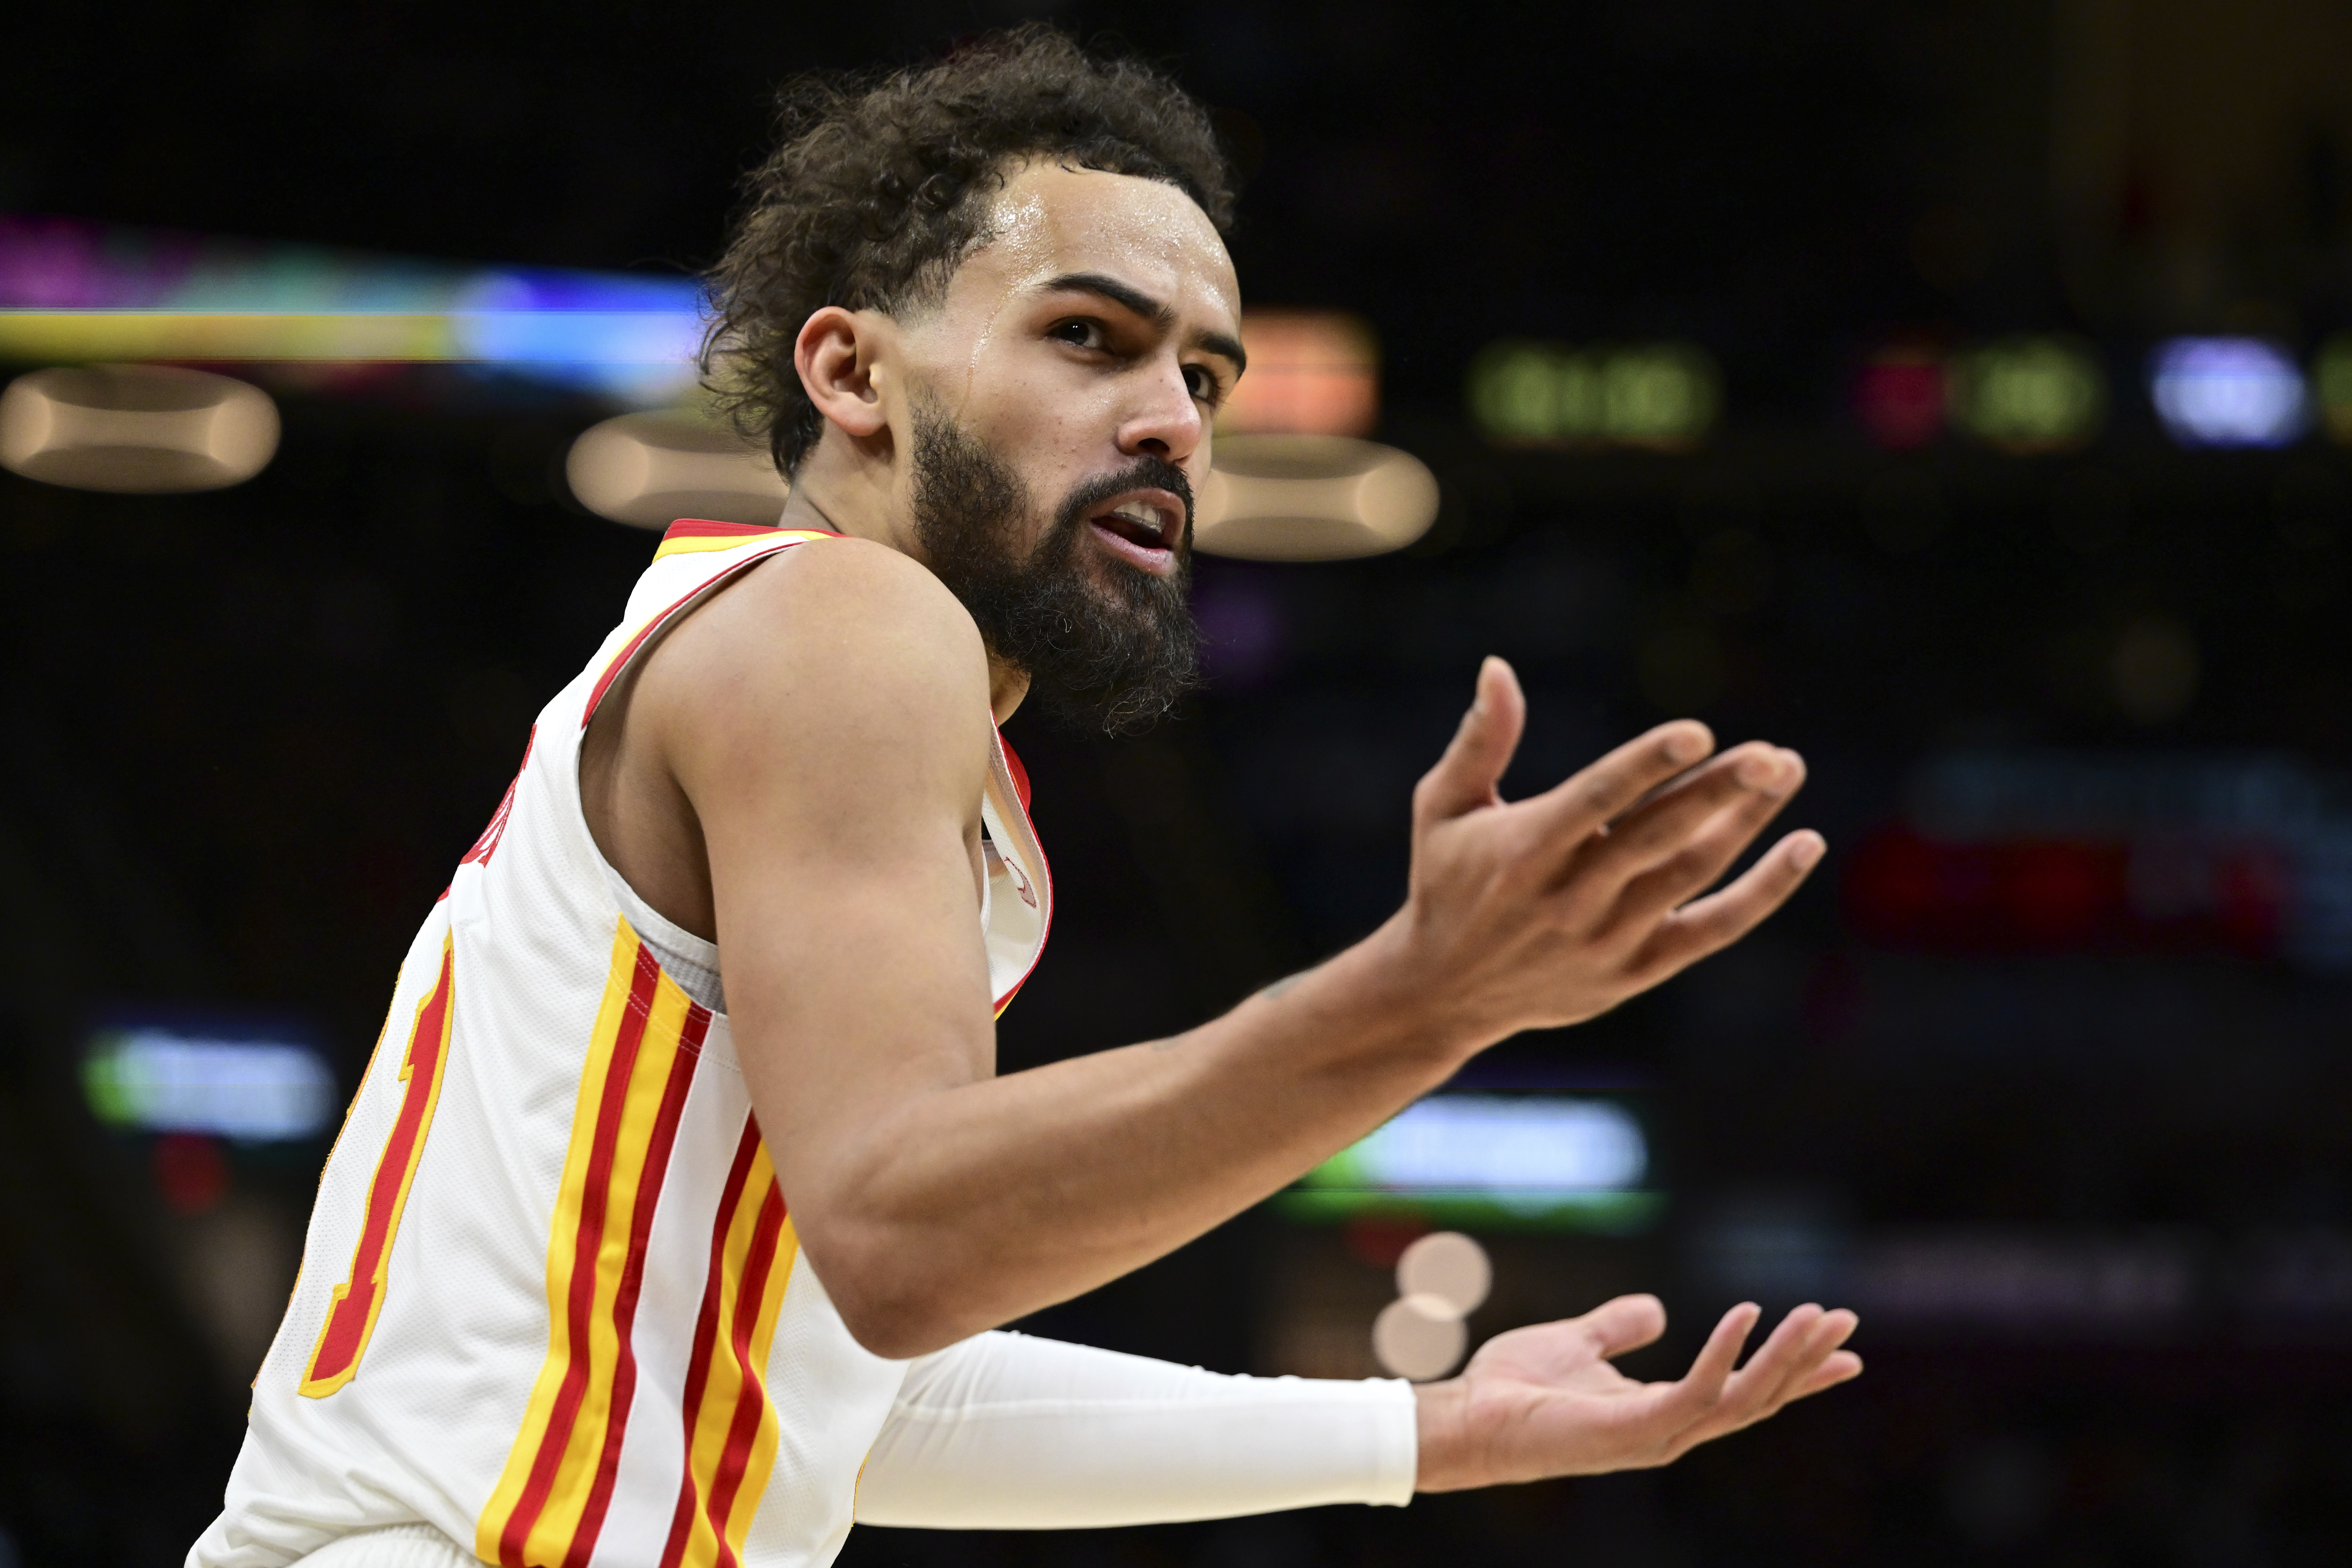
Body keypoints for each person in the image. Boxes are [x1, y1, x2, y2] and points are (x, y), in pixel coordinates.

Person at [191, 27, 1857, 1568]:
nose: (1170, 425)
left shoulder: (805, 675)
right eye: (1089, 338)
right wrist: (1417, 1006)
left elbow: (855, 1389)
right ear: (851, 375)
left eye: (1205, 379)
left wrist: (1419, 1432)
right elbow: (907, 1237)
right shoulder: (841, 621)